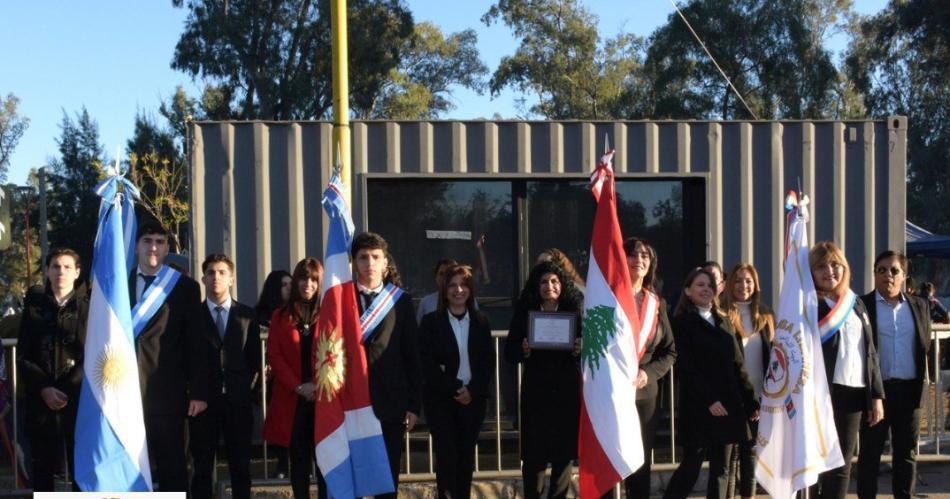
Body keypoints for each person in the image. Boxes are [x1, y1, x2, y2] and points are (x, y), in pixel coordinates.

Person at [664, 268, 757, 499]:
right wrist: (709, 400)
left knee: (722, 470)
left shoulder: (725, 322)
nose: (706, 289)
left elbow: (738, 365)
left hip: (729, 406)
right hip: (698, 407)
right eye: (699, 285)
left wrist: (751, 400)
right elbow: (687, 369)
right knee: (691, 467)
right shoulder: (682, 324)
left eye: (709, 285)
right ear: (687, 291)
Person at [131, 220, 208, 491]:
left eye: (159, 242)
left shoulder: (185, 288)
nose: (153, 247)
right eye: (147, 241)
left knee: (172, 468)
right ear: (136, 245)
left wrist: (198, 392)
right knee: (128, 470)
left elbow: (196, 344)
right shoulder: (118, 284)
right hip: (124, 394)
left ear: (166, 249)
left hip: (167, 394)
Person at [807, 242, 883, 499]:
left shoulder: (855, 303)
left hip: (853, 393)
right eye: (821, 267)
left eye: (835, 264)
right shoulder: (806, 305)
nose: (829, 271)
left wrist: (876, 395)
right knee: (813, 463)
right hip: (819, 394)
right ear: (811, 272)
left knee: (841, 463)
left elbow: (870, 351)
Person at [351, 232, 422, 499]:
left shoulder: (400, 300)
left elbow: (411, 355)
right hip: (352, 400)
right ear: (354, 262)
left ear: (385, 263)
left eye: (375, 257)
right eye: (363, 257)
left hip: (390, 402)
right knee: (354, 477)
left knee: (386, 478)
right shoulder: (341, 299)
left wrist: (414, 404)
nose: (369, 262)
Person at [505, 261, 582, 499]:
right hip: (536, 393)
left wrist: (580, 347)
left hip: (566, 393)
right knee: (534, 457)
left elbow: (592, 350)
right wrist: (524, 349)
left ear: (562, 285)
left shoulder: (574, 309)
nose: (549, 286)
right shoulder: (525, 309)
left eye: (555, 281)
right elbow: (510, 351)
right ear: (536, 286)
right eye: (544, 282)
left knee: (563, 455)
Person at [857, 250, 931, 499]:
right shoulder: (861, 306)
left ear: (904, 275)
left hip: (909, 392)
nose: (888, 275)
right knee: (870, 456)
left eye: (894, 270)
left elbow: (924, 346)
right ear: (875, 274)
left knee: (906, 454)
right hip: (877, 394)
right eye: (882, 270)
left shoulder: (919, 306)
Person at [190, 254, 261, 499]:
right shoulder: (192, 317)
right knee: (201, 469)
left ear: (231, 278)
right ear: (203, 279)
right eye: (211, 272)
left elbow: (255, 361)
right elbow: (188, 361)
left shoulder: (247, 316)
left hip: (237, 402)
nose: (216, 277)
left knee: (241, 468)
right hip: (203, 403)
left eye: (222, 272)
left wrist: (246, 392)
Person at [419, 264, 493, 499]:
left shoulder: (481, 321)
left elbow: (487, 363)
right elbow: (427, 363)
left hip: (473, 400)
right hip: (441, 401)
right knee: (446, 455)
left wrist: (471, 391)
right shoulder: (431, 322)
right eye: (452, 285)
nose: (458, 290)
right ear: (444, 289)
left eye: (463, 285)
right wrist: (453, 388)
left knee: (465, 457)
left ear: (470, 290)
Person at [17, 248, 87, 491]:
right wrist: (45, 388)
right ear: (47, 270)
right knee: (43, 473)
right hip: (41, 403)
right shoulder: (34, 308)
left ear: (77, 272)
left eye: (67, 267)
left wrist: (67, 389)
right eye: (56, 266)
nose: (61, 272)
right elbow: (24, 356)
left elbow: (92, 356)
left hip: (78, 402)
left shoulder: (89, 309)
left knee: (82, 471)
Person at [615, 238, 676, 499]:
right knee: (612, 458)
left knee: (640, 461)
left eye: (645, 256)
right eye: (632, 254)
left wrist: (647, 373)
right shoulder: (609, 298)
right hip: (613, 391)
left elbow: (669, 351)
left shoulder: (655, 303)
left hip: (644, 394)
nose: (639, 260)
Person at [262, 258, 327, 499]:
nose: (307, 284)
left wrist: (319, 386)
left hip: (323, 400)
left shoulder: (329, 314)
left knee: (325, 464)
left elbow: (337, 354)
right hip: (294, 400)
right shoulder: (280, 316)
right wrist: (299, 386)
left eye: (313, 279)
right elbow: (275, 355)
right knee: (298, 464)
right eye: (302, 278)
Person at [721, 263, 774, 499]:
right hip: (732, 397)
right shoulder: (720, 314)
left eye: (749, 281)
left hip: (760, 397)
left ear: (756, 285)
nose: (744, 286)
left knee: (751, 455)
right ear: (730, 284)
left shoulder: (766, 315)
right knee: (731, 457)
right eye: (739, 281)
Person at [255, 269, 292, 478]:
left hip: (288, 376)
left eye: (290, 284)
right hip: (266, 379)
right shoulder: (259, 315)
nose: (289, 289)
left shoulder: (296, 313)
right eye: (284, 285)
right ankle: (281, 463)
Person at [416, 259, 458, 324]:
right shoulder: (426, 302)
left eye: (449, 274)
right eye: (441, 274)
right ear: (436, 277)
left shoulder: (467, 300)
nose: (444, 277)